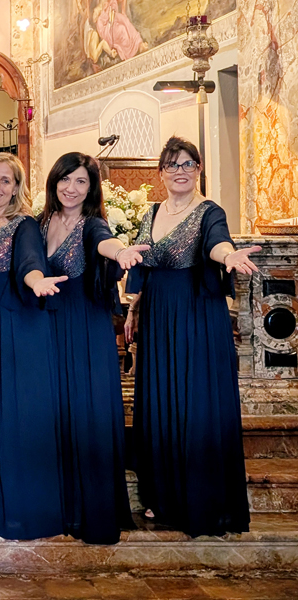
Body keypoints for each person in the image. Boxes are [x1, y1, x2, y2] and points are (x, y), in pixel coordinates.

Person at [124, 136, 260, 537]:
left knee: (196, 402)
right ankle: (163, 496)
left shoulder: (208, 211)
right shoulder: (151, 212)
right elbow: (145, 268)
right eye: (172, 165)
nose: (180, 171)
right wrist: (133, 308)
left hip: (197, 316)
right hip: (157, 315)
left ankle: (202, 500)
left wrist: (228, 256)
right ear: (161, 172)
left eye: (188, 164)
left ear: (199, 169)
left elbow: (217, 243)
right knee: (160, 401)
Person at [40, 152, 147, 544]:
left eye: (81, 181)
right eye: (66, 179)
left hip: (84, 330)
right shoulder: (41, 221)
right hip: (47, 328)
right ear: (54, 181)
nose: (71, 188)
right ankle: (60, 506)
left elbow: (106, 243)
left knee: (86, 416)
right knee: (55, 416)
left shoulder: (94, 224)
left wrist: (121, 252)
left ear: (91, 188)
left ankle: (92, 512)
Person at [0, 152, 67, 539]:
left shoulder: (23, 224)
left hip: (9, 320)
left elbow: (28, 261)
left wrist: (37, 280)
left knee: (11, 410)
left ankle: (19, 507)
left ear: (17, 188)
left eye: (5, 181)